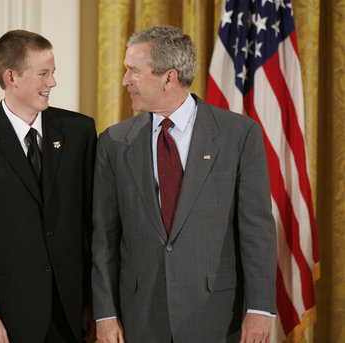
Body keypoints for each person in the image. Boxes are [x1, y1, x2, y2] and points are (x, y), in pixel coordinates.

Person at [91, 25, 277, 343]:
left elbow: (256, 229)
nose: (125, 80)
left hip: (217, 316)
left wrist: (260, 308)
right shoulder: (114, 142)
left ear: (169, 77)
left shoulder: (240, 135)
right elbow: (104, 237)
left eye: (133, 71)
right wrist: (105, 315)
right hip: (139, 318)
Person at [0, 29, 96, 343]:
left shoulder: (80, 132)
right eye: (43, 74)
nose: (52, 82)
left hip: (72, 316)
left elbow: (94, 226)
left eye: (53, 73)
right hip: (6, 320)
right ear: (12, 76)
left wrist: (97, 304)